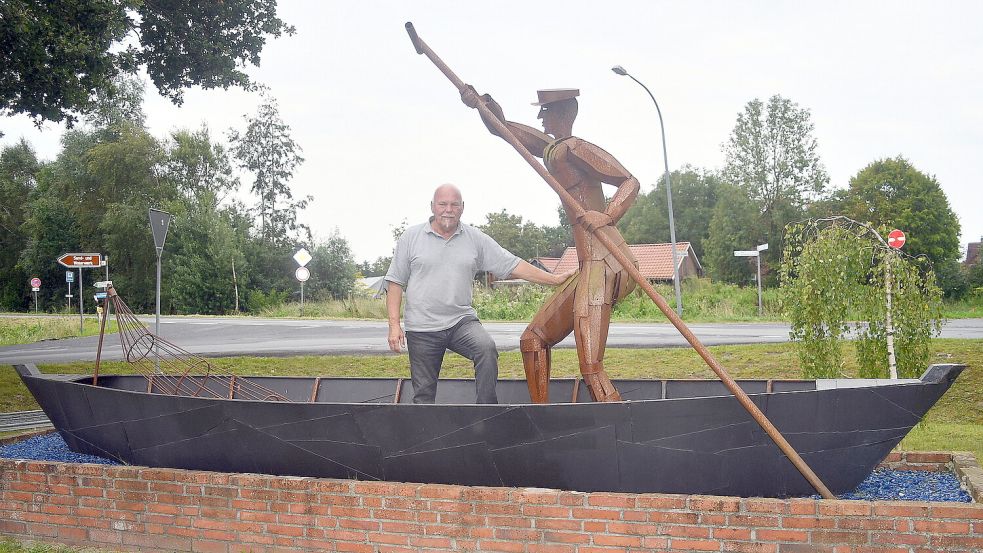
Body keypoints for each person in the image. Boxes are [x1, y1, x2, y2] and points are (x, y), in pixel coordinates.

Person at [461, 86, 640, 403]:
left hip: (608, 260)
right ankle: (543, 419)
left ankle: (618, 430)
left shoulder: (577, 148)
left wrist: (607, 216)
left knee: (591, 366)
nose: (541, 118)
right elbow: (508, 133)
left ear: (563, 113)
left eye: (545, 111)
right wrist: (484, 108)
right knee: (532, 340)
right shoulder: (554, 149)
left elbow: (629, 180)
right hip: (588, 265)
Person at [385, 183, 572, 404]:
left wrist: (554, 279)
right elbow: (395, 282)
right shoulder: (411, 237)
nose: (448, 209)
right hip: (422, 327)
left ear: (462, 208)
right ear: (432, 207)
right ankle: (427, 433)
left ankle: (486, 413)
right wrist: (394, 325)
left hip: (460, 322)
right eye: (443, 204)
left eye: (454, 204)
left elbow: (512, 264)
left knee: (486, 349)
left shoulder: (475, 239)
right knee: (424, 393)